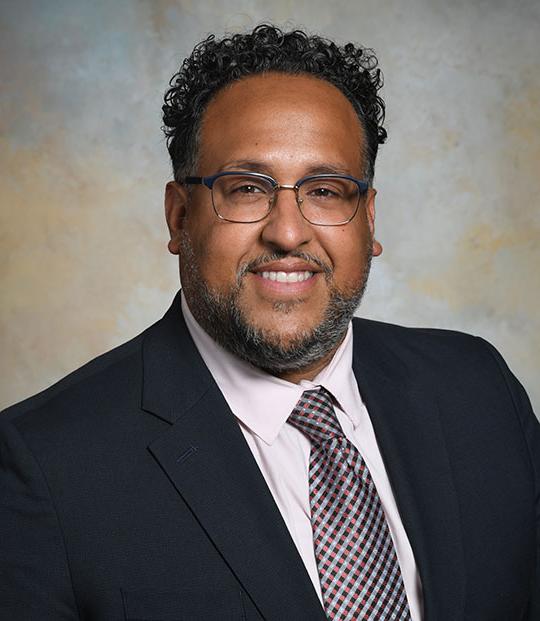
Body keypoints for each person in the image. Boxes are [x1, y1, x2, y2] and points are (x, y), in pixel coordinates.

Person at [1, 24, 538, 621]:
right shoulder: (43, 467)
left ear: (368, 220)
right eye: (246, 188)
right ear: (179, 218)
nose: (287, 231)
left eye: (327, 190)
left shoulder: (478, 389)